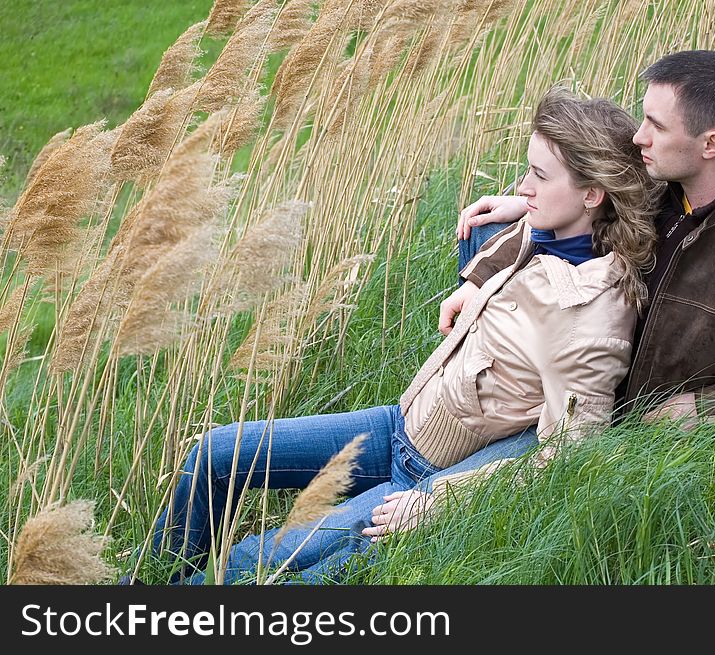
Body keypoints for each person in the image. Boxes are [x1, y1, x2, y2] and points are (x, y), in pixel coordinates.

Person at [150, 87, 660, 584]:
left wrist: (439, 501)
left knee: (246, 566)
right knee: (216, 456)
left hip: (420, 479)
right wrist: (512, 219)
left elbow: (567, 456)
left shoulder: (586, 320)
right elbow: (539, 230)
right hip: (398, 424)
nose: (523, 187)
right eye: (525, 170)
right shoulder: (554, 229)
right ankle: (145, 582)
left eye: (538, 177)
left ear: (593, 194)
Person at [448, 50, 715, 423]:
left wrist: (707, 407)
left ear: (711, 144)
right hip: (566, 382)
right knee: (487, 228)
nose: (639, 137)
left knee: (428, 492)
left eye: (656, 125)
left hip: (616, 429)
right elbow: (568, 193)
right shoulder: (653, 184)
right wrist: (484, 273)